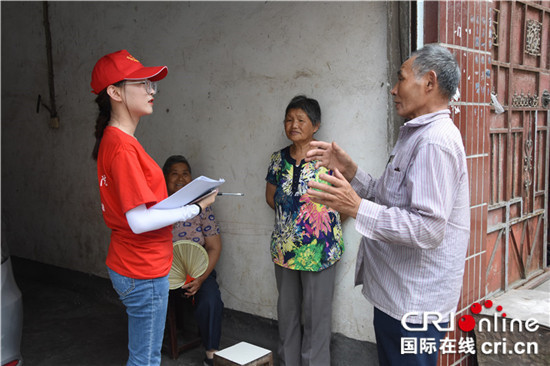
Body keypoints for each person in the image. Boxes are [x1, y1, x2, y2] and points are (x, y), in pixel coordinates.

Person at [306, 44, 470, 366]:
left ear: (429, 82)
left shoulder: (435, 142)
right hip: (398, 298)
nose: (393, 89)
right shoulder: (415, 134)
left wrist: (355, 207)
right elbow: (390, 198)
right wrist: (351, 172)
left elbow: (428, 228)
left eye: (401, 78)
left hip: (414, 307)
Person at [91, 49, 217, 366]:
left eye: (152, 85)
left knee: (144, 356)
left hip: (134, 263)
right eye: (142, 84)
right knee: (146, 359)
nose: (151, 91)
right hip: (142, 268)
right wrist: (195, 209)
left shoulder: (116, 140)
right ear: (115, 92)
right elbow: (139, 220)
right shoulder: (122, 147)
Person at [265, 95, 345, 366]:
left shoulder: (329, 160)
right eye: (289, 119)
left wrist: (323, 229)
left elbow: (345, 203)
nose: (293, 124)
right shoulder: (278, 160)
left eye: (301, 120)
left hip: (319, 252)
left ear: (316, 125)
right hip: (285, 251)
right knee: (287, 315)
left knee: (316, 318)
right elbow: (270, 198)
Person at [162, 155, 224, 366]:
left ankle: (211, 355)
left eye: (185, 173)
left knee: (211, 299)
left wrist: (200, 278)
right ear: (165, 178)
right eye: (174, 174)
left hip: (199, 271)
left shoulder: (202, 206)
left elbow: (214, 247)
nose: (180, 178)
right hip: (163, 273)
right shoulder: (158, 208)